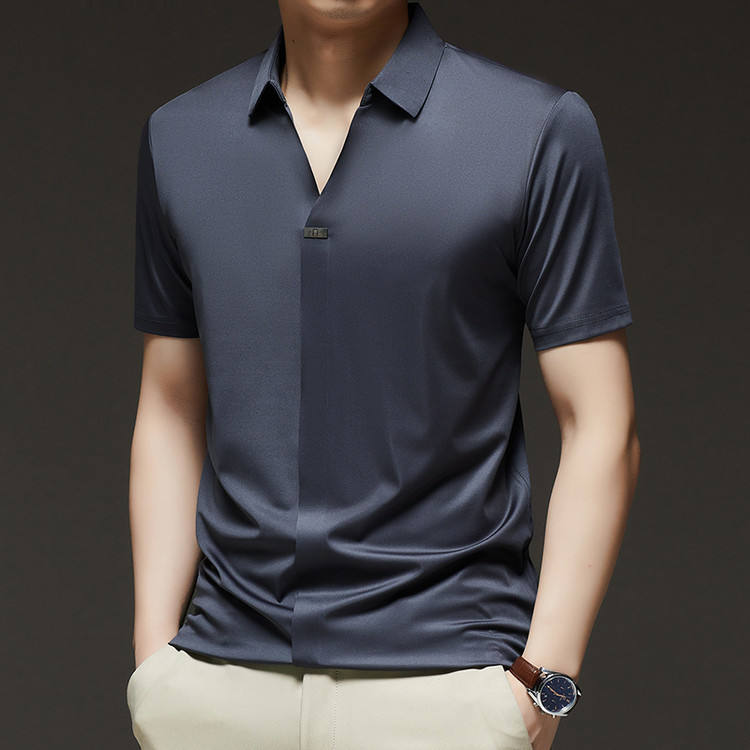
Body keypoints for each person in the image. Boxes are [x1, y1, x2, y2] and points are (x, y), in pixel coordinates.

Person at [126, 1, 640, 748]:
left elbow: (602, 422)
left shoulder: (534, 129)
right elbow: (170, 403)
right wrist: (153, 660)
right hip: (217, 685)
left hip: (447, 687)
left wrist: (541, 680)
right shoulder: (181, 136)